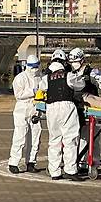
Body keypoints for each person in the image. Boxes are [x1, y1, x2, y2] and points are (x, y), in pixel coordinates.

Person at [38, 49, 86, 181]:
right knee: (70, 138)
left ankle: (54, 172)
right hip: (67, 106)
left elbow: (40, 88)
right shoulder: (68, 75)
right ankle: (70, 170)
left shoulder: (46, 78)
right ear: (64, 62)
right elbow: (80, 85)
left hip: (51, 108)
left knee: (54, 140)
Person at [8, 55, 43, 173]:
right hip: (22, 109)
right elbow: (18, 94)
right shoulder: (20, 78)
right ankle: (13, 162)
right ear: (27, 66)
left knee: (35, 137)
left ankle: (31, 162)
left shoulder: (40, 77)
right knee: (20, 136)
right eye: (32, 67)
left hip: (35, 108)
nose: (35, 69)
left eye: (36, 66)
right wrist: (32, 91)